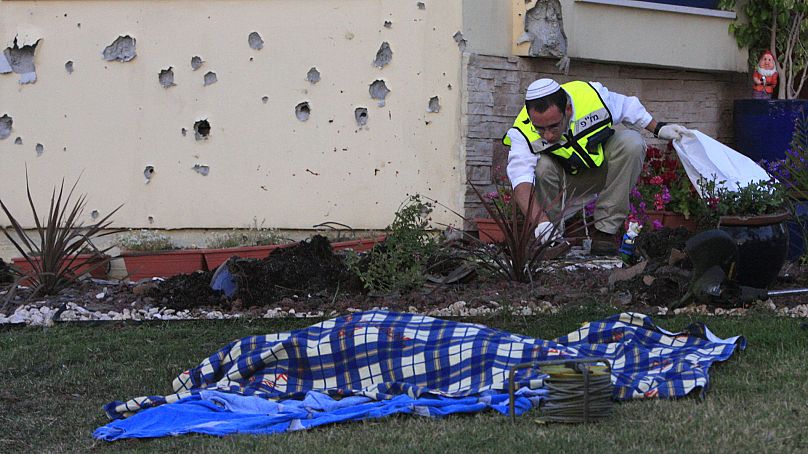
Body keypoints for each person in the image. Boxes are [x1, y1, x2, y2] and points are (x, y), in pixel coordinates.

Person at [502, 78, 688, 255]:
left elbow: (627, 107)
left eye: (554, 126)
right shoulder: (522, 131)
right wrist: (541, 222)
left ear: (567, 109)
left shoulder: (592, 97)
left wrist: (659, 128)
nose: (548, 136)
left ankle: (605, 233)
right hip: (562, 184)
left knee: (632, 142)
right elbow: (521, 180)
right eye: (540, 129)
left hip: (600, 173)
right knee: (540, 166)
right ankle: (550, 239)